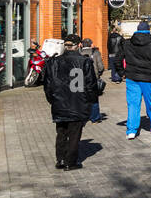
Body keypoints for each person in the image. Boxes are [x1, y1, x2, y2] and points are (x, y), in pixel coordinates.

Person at [41, 34, 99, 170]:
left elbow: (47, 85)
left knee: (61, 132)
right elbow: (91, 85)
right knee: (74, 133)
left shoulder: (53, 62)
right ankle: (70, 162)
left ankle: (60, 159)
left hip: (59, 102)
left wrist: (52, 100)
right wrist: (91, 101)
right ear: (79, 45)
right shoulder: (85, 62)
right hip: (78, 102)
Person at [122, 20, 151, 139]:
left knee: (133, 104)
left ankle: (131, 130)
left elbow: (118, 59)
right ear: (148, 30)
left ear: (137, 30)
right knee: (150, 102)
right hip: (149, 77)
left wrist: (122, 72)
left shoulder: (127, 43)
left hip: (132, 77)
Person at [78, 37, 106, 122]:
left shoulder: (79, 53)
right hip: (93, 78)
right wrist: (99, 73)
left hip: (81, 78)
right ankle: (95, 117)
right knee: (94, 99)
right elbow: (101, 67)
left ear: (82, 45)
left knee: (83, 98)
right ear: (91, 44)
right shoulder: (96, 52)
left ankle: (83, 116)